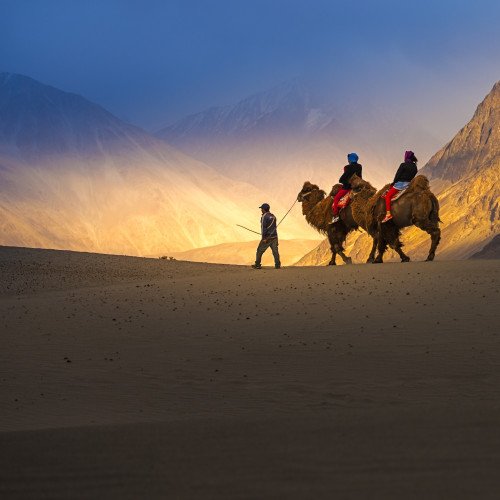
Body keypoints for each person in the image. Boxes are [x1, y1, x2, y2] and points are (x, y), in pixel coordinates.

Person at [381, 151, 418, 223]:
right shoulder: (414, 166)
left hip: (400, 185)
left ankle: (388, 214)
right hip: (408, 184)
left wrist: (393, 183)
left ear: (406, 157)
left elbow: (397, 175)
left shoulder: (403, 165)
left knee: (388, 196)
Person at [331, 153, 362, 224]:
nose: (348, 160)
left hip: (347, 188)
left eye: (348, 159)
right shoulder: (360, 166)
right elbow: (359, 177)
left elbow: (341, 179)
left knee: (336, 198)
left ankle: (335, 215)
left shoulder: (347, 167)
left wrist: (346, 181)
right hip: (358, 186)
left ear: (350, 159)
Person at [252, 203, 281, 269]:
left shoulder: (264, 216)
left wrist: (264, 238)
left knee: (259, 250)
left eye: (261, 209)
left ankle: (257, 265)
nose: (261, 210)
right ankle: (277, 265)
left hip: (267, 238)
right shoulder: (273, 216)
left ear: (264, 209)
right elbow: (274, 227)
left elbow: (263, 228)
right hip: (274, 237)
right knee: (275, 252)